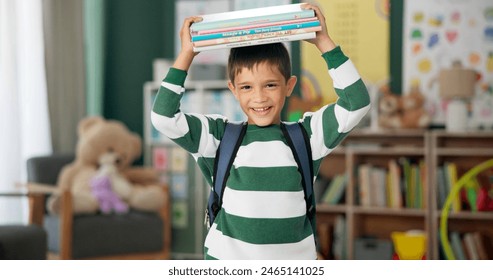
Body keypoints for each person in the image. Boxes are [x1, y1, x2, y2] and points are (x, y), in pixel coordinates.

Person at [151, 4, 370, 260]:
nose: (259, 97)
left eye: (270, 85)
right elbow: (163, 117)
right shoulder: (219, 137)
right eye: (246, 87)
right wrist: (187, 54)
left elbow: (356, 102)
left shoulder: (308, 136)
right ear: (233, 90)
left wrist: (323, 42)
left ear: (289, 86)